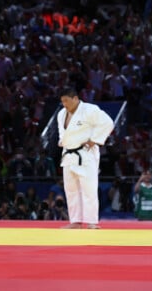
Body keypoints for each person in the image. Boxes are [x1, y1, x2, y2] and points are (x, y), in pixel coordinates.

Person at [56, 87, 114, 229]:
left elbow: (108, 123)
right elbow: (62, 133)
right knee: (71, 190)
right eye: (62, 101)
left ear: (75, 98)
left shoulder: (90, 110)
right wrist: (62, 141)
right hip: (68, 155)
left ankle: (92, 222)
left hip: (85, 154)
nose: (64, 104)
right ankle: (75, 221)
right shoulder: (61, 114)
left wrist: (95, 139)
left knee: (89, 189)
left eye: (66, 101)